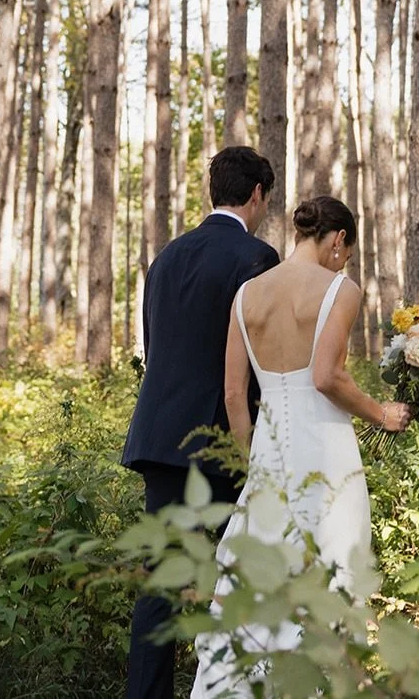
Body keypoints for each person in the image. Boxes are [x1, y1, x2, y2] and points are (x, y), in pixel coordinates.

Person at [190, 196, 410, 699]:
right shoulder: (340, 289)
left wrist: (254, 461)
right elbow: (327, 376)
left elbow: (231, 394)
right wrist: (382, 413)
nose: (345, 261)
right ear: (337, 240)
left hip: (270, 453)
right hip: (326, 450)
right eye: (346, 252)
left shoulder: (247, 294)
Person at [123, 146, 280, 699]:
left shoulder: (166, 257)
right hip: (224, 443)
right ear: (257, 194)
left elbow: (156, 348)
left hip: (161, 440)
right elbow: (262, 359)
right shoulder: (258, 258)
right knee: (248, 576)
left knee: (160, 585)